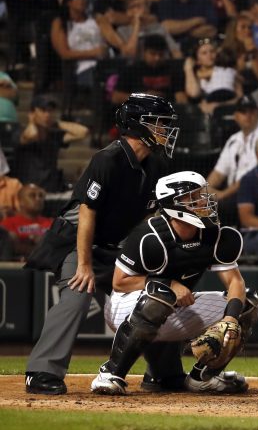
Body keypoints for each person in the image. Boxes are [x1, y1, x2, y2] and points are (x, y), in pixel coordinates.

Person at [24, 94, 178, 395]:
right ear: (138, 124)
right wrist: (84, 265)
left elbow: (150, 217)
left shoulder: (157, 164)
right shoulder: (108, 159)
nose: (165, 130)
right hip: (75, 240)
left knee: (153, 297)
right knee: (78, 293)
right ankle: (41, 372)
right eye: (159, 123)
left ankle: (164, 373)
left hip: (112, 246)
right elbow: (87, 214)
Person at [91, 171, 258, 395]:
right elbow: (119, 283)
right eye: (194, 197)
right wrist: (169, 284)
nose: (203, 201)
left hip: (174, 307)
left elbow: (235, 282)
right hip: (126, 308)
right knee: (161, 294)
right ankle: (111, 373)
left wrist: (230, 317)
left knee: (247, 303)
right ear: (174, 204)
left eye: (202, 195)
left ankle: (202, 377)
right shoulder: (149, 236)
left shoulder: (214, 234)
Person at [207, 95, 258, 203]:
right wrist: (206, 190)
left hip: (257, 196)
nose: (248, 115)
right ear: (236, 116)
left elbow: (252, 176)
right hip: (233, 197)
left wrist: (223, 195)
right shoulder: (233, 139)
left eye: (251, 111)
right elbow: (219, 173)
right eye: (243, 112)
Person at [16, 95, 90, 192]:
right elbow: (32, 135)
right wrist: (32, 121)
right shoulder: (21, 132)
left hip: (52, 189)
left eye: (50, 111)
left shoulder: (54, 135)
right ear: (32, 113)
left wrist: (55, 123)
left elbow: (83, 132)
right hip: (29, 190)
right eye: (43, 110)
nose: (47, 114)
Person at [111, 35, 187, 105]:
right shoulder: (131, 70)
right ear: (144, 52)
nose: (157, 58)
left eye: (160, 54)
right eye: (153, 54)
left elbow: (180, 95)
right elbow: (116, 98)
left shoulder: (173, 70)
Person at [183, 38, 242, 115]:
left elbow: (239, 96)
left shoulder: (227, 70)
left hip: (229, 110)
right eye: (204, 53)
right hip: (204, 115)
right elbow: (194, 93)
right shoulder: (194, 76)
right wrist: (188, 69)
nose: (209, 55)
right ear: (197, 60)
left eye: (212, 51)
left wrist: (219, 105)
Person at [0, 183, 52, 261]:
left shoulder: (52, 223)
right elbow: (12, 247)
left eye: (41, 196)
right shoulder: (7, 224)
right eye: (32, 195)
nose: (38, 199)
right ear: (20, 201)